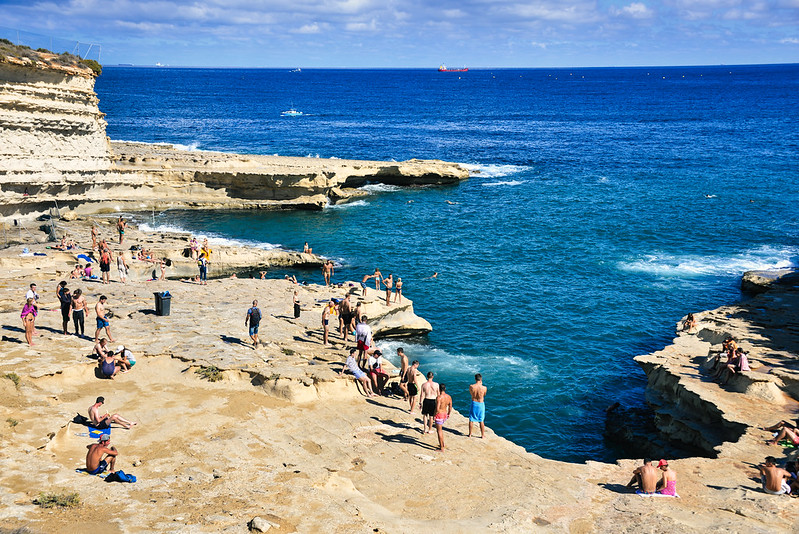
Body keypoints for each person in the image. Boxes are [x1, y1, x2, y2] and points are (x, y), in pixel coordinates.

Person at [468, 373, 488, 438]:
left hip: (474, 403)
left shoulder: (471, 386)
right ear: (481, 379)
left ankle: (470, 434)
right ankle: (482, 435)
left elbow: (471, 394)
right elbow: (484, 395)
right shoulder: (484, 388)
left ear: (475, 379)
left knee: (471, 419)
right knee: (481, 420)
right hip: (481, 404)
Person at [434, 384, 453, 451]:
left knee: (439, 431)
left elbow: (437, 408)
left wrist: (434, 415)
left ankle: (441, 448)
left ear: (439, 389)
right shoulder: (449, 397)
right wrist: (448, 414)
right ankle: (442, 443)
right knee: (440, 431)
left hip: (439, 415)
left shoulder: (439, 397)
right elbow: (450, 407)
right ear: (445, 389)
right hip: (445, 414)